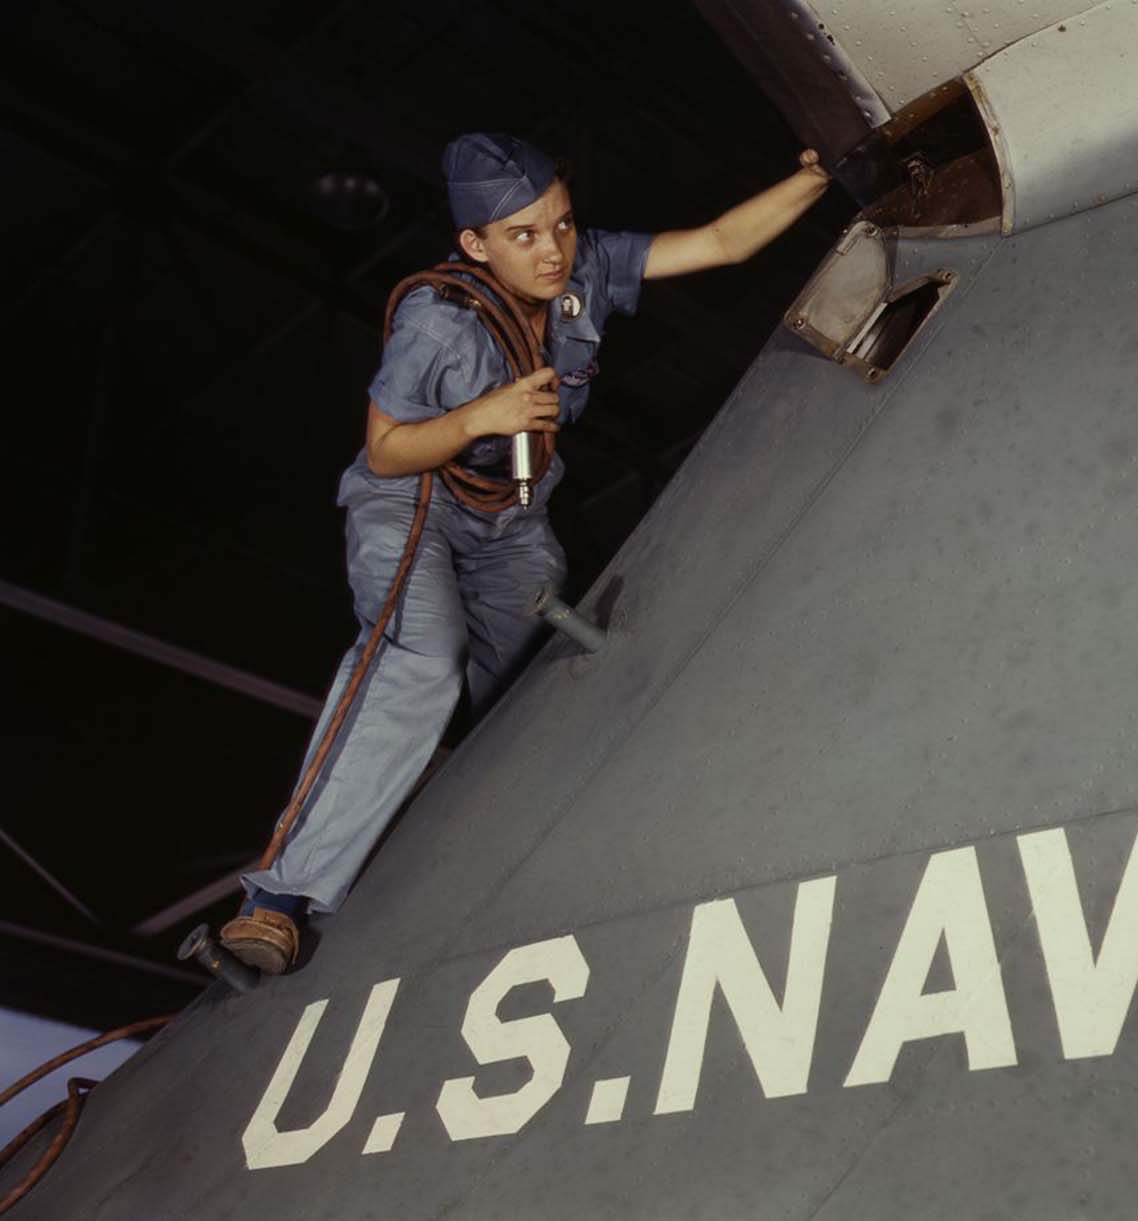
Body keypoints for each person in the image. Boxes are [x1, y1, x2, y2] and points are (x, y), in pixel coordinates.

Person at [219, 132, 830, 974]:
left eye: (562, 225)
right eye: (525, 236)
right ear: (476, 244)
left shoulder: (584, 272)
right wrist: (480, 417)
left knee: (539, 680)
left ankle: (460, 828)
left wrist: (819, 175)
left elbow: (721, 242)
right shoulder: (438, 319)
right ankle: (277, 896)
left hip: (511, 519)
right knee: (420, 659)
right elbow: (388, 448)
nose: (552, 251)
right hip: (417, 504)